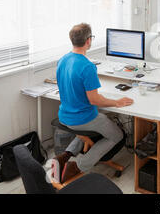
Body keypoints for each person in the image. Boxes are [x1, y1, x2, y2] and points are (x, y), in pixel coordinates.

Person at [52, 23, 134, 183]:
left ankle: (66, 155)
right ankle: (79, 166)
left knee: (99, 118)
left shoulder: (63, 60)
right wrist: (117, 102)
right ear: (88, 41)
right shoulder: (87, 67)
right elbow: (94, 100)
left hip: (64, 115)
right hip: (82, 119)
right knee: (117, 135)